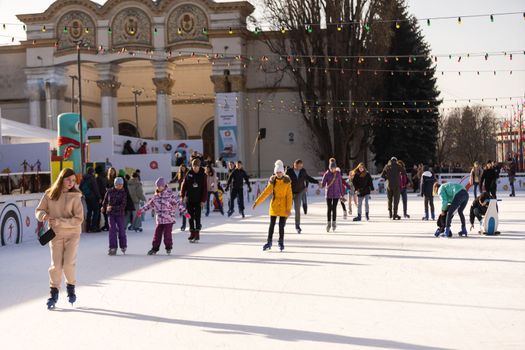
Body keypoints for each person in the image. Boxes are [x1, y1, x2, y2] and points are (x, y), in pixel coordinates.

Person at [35, 168, 84, 309]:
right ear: (61, 178)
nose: (71, 183)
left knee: (68, 264)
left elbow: (79, 219)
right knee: (56, 266)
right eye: (68, 179)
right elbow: (39, 210)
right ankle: (54, 292)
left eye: (73, 180)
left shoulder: (76, 196)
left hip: (72, 234)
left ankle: (70, 287)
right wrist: (43, 216)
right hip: (55, 234)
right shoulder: (49, 194)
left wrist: (60, 222)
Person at [137, 177, 189, 255]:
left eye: (160, 186)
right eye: (157, 186)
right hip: (160, 220)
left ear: (164, 186)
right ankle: (154, 248)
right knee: (157, 235)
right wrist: (141, 211)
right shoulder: (155, 197)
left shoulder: (170, 195)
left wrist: (185, 212)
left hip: (168, 219)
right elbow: (148, 205)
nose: (159, 187)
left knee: (167, 235)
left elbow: (178, 204)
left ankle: (168, 247)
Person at [253, 160, 293, 252]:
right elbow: (266, 193)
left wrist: (288, 209)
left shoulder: (287, 182)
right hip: (274, 205)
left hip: (283, 206)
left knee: (281, 226)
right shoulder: (273, 181)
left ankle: (281, 241)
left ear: (283, 172)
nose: (278, 174)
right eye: (277, 172)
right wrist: (257, 202)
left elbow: (289, 197)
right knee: (272, 224)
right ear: (275, 172)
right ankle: (269, 241)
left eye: (280, 172)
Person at [285, 159, 319, 234]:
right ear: (294, 165)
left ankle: (297, 226)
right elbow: (283, 181)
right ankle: (282, 223)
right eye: (298, 166)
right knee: (287, 209)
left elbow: (308, 178)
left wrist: (317, 182)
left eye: (301, 166)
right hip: (290, 193)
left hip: (299, 193)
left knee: (297, 210)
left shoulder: (303, 171)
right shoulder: (289, 171)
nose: (299, 167)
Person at [181, 159, 208, 243]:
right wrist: (182, 196)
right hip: (189, 199)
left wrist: (203, 200)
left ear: (199, 166)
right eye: (194, 166)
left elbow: (205, 189)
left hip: (199, 200)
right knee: (190, 217)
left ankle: (197, 233)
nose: (195, 168)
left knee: (197, 217)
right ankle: (192, 232)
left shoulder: (203, 175)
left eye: (197, 166)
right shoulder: (189, 174)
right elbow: (184, 185)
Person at [101, 177, 128, 255]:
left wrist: (112, 207)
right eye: (118, 185)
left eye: (121, 185)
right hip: (111, 214)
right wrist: (103, 207)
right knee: (112, 230)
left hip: (120, 214)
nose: (120, 186)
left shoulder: (123, 193)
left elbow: (123, 205)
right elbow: (105, 201)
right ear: (115, 184)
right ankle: (112, 247)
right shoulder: (109, 192)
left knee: (121, 230)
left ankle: (123, 245)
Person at [321, 158, 344, 232]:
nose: (332, 169)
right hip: (329, 194)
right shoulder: (327, 174)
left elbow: (340, 184)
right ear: (329, 167)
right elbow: (323, 183)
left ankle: (334, 223)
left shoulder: (338, 174)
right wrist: (321, 184)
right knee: (329, 209)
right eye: (331, 168)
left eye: (334, 168)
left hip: (336, 194)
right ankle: (328, 223)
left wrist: (342, 194)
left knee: (334, 208)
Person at [79, 167, 100, 232]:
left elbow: (80, 187)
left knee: (89, 211)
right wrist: (99, 197)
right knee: (96, 211)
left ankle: (87, 227)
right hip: (93, 197)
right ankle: (93, 227)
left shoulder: (83, 178)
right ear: (92, 172)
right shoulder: (92, 178)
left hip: (87, 197)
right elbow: (95, 188)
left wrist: (85, 193)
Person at [173, 164, 189, 231]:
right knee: (184, 209)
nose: (183, 169)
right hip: (182, 193)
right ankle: (183, 225)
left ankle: (195, 224)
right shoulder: (179, 173)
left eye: (184, 168)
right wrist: (170, 182)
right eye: (182, 168)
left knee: (191, 210)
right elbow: (175, 178)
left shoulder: (189, 173)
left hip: (189, 193)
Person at [95, 165, 109, 231]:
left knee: (99, 211)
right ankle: (107, 225)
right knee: (105, 212)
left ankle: (98, 226)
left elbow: (97, 188)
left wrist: (98, 197)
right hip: (105, 195)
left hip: (100, 196)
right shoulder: (105, 177)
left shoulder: (98, 178)